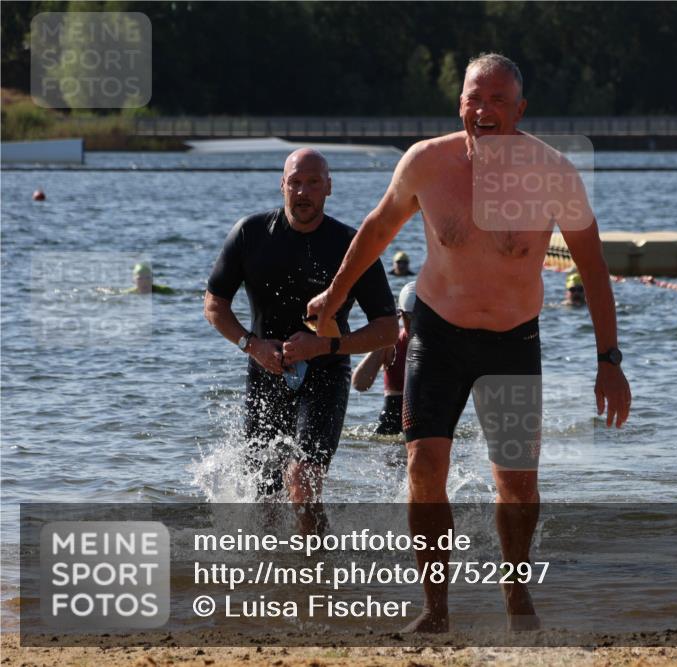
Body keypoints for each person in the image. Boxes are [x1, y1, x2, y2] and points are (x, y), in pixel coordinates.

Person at [308, 53, 631, 632]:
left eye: (497, 100)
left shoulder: (553, 172)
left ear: (520, 109)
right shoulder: (427, 163)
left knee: (517, 480)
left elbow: (594, 266)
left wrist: (608, 360)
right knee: (425, 464)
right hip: (438, 334)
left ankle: (516, 595)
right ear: (459, 103)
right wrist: (333, 299)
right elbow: (378, 229)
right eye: (473, 99)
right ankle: (436, 609)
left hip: (512, 340)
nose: (483, 111)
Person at [204, 148, 397, 514]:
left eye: (312, 183)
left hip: (326, 374)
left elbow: (388, 329)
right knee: (264, 495)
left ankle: (315, 566)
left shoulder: (351, 246)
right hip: (265, 372)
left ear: (329, 187)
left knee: (303, 480)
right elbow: (214, 305)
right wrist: (252, 344)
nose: (302, 192)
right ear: (282, 186)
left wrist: (326, 345)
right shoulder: (251, 234)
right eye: (295, 183)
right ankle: (273, 568)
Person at [352, 282, 415, 435]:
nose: (416, 323)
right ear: (401, 315)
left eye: (422, 316)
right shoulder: (392, 343)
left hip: (426, 418)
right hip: (392, 422)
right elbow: (360, 384)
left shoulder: (438, 345)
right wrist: (385, 341)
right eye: (411, 317)